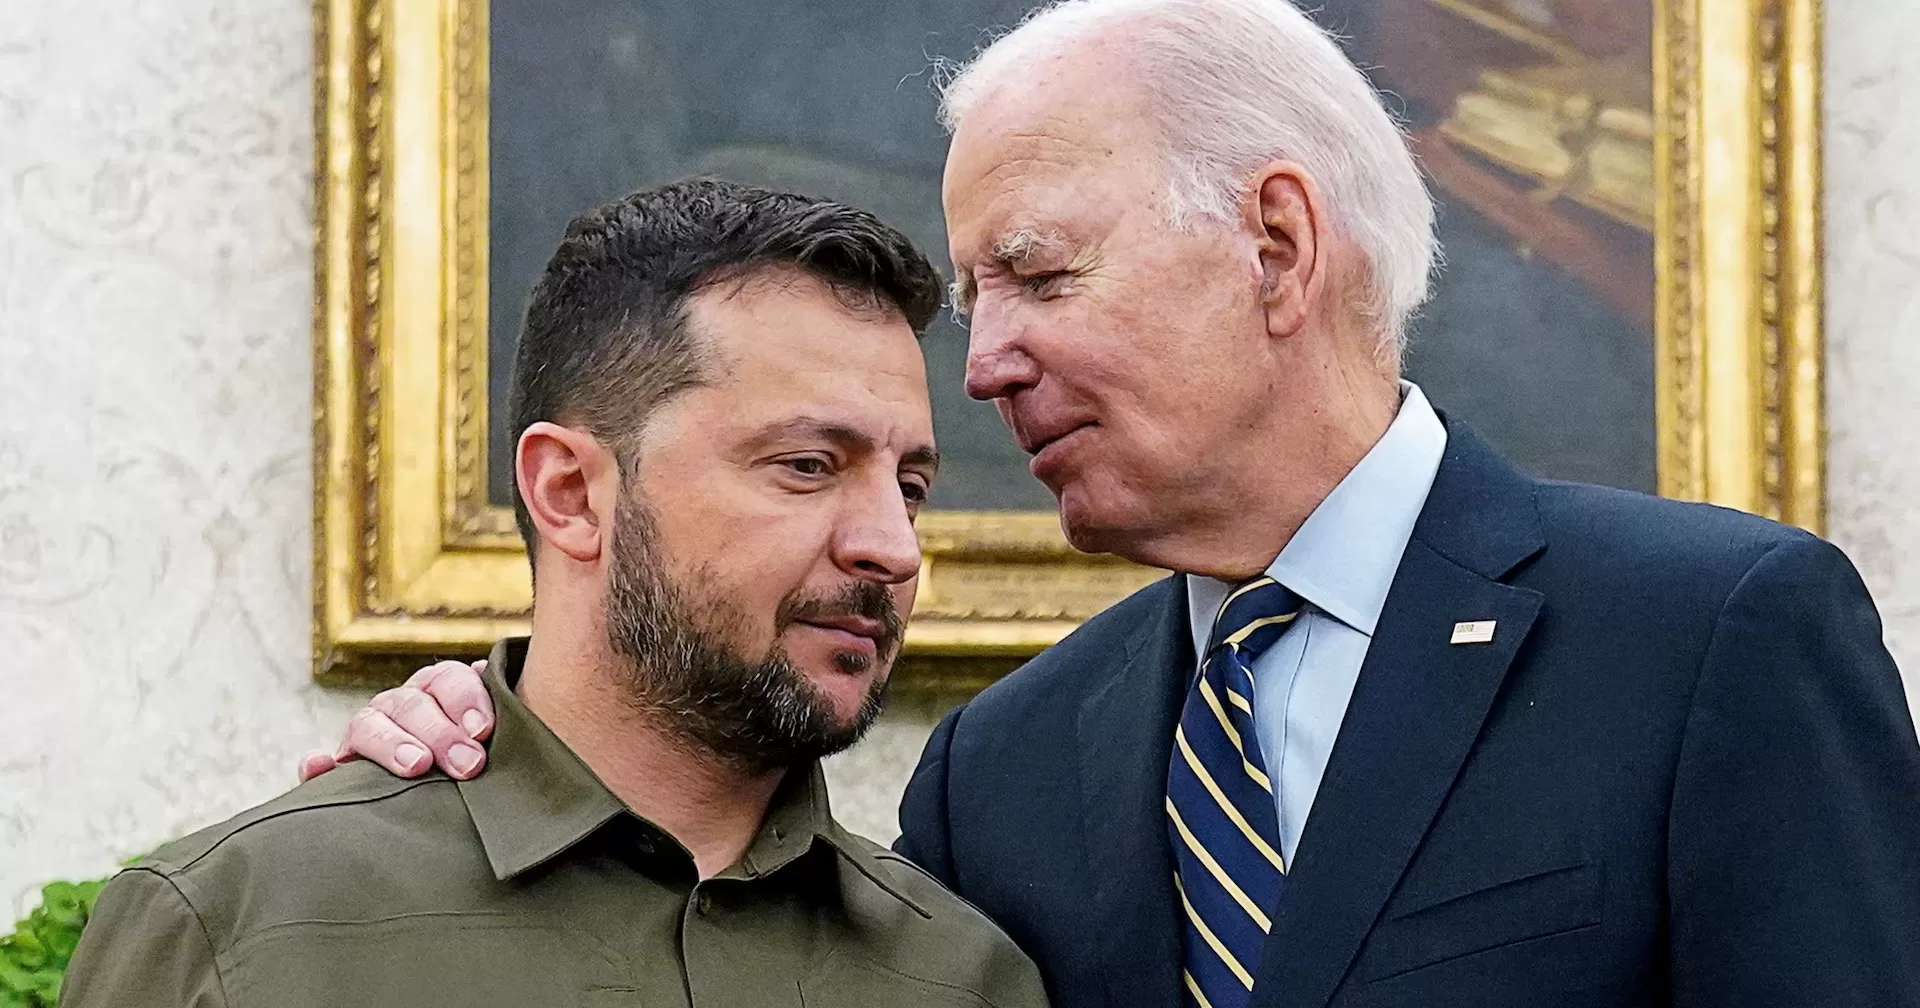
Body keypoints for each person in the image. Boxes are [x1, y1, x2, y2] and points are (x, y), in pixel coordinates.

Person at [309, 1, 1920, 1006]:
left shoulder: (1714, 640)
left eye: (1038, 274)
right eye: (973, 300)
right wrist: (492, 736)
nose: (987, 362)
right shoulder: (1002, 771)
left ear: (1277, 244)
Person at [62, 178, 1049, 1008]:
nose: (892, 547)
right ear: (570, 493)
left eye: (910, 488)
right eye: (804, 465)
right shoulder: (245, 931)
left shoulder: (961, 977)